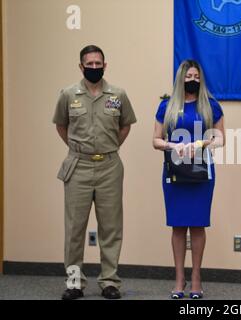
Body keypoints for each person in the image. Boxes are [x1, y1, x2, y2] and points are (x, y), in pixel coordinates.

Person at [53, 45, 137, 300]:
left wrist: (108, 149)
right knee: (75, 228)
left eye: (97, 63)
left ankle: (109, 281)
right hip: (78, 166)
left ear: (105, 65)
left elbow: (125, 126)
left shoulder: (118, 94)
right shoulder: (68, 94)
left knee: (111, 227)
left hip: (110, 167)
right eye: (88, 64)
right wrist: (80, 150)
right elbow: (61, 125)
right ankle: (75, 283)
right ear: (81, 66)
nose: (93, 68)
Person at [153, 60, 225, 299]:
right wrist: (174, 145)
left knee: (197, 224)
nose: (192, 80)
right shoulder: (167, 106)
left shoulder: (211, 106)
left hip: (202, 172)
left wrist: (200, 144)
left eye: (196, 76)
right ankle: (179, 279)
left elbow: (220, 138)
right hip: (174, 172)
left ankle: (196, 278)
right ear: (180, 79)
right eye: (188, 76)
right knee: (178, 225)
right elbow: (156, 140)